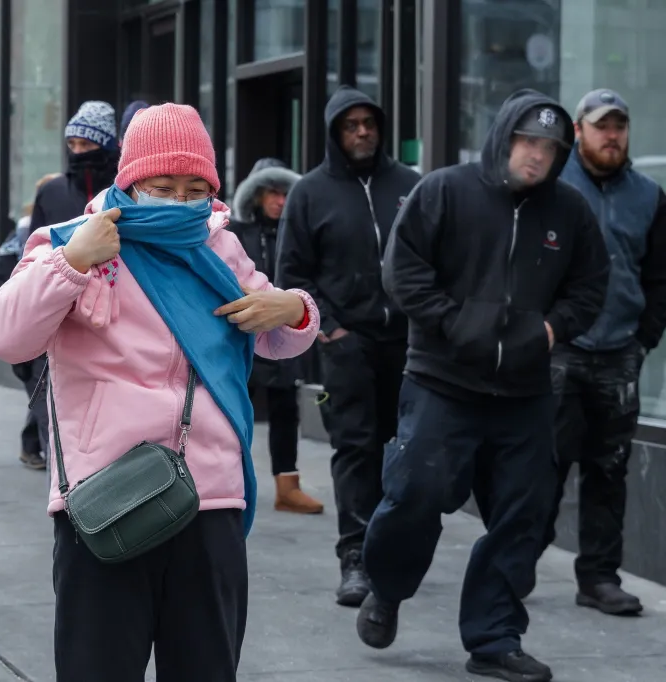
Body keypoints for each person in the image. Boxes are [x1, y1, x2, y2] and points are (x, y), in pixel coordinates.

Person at [0, 103, 319, 682]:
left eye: (195, 188)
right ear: (130, 181)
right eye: (162, 186)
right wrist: (71, 263)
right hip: (104, 499)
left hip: (209, 499)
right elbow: (4, 335)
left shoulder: (219, 248)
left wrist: (296, 308)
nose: (180, 201)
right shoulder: (70, 241)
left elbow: (279, 342)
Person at [354, 89, 609, 682]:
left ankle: (495, 637)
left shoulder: (569, 212)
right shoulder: (446, 190)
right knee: (415, 495)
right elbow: (402, 268)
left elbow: (591, 285)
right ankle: (387, 588)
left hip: (524, 392)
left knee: (524, 515)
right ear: (503, 138)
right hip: (442, 379)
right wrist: (451, 322)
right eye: (527, 142)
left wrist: (551, 331)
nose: (536, 156)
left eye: (549, 147)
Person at [276, 84, 421, 606]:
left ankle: (395, 552)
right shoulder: (310, 193)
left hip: (409, 345)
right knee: (356, 450)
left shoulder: (410, 185)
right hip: (347, 345)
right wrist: (331, 332)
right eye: (350, 125)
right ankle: (355, 558)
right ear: (335, 133)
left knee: (406, 450)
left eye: (369, 123)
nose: (362, 133)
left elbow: (434, 258)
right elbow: (292, 275)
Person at [543, 89, 666, 616]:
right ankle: (516, 562)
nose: (612, 135)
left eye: (619, 126)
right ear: (578, 131)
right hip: (561, 350)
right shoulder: (553, 188)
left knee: (609, 469)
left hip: (620, 351)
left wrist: (643, 340)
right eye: (602, 126)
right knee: (544, 466)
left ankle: (599, 577)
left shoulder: (649, 196)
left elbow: (662, 276)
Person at [230, 157, 322, 514]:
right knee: (235, 409)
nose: (280, 200)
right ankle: (230, 481)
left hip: (284, 331)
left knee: (286, 409)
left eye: (286, 193)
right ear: (256, 195)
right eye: (273, 192)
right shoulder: (236, 233)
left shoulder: (298, 230)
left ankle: (288, 485)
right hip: (244, 332)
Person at [0, 172, 63, 470]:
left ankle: (31, 446)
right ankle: (40, 450)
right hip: (35, 338)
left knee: (45, 398)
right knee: (44, 400)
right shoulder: (27, 236)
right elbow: (5, 280)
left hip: (50, 339)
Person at [31, 101, 120, 230]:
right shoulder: (51, 192)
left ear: (106, 146)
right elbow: (33, 246)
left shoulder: (124, 191)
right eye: (72, 144)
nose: (77, 151)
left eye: (85, 144)